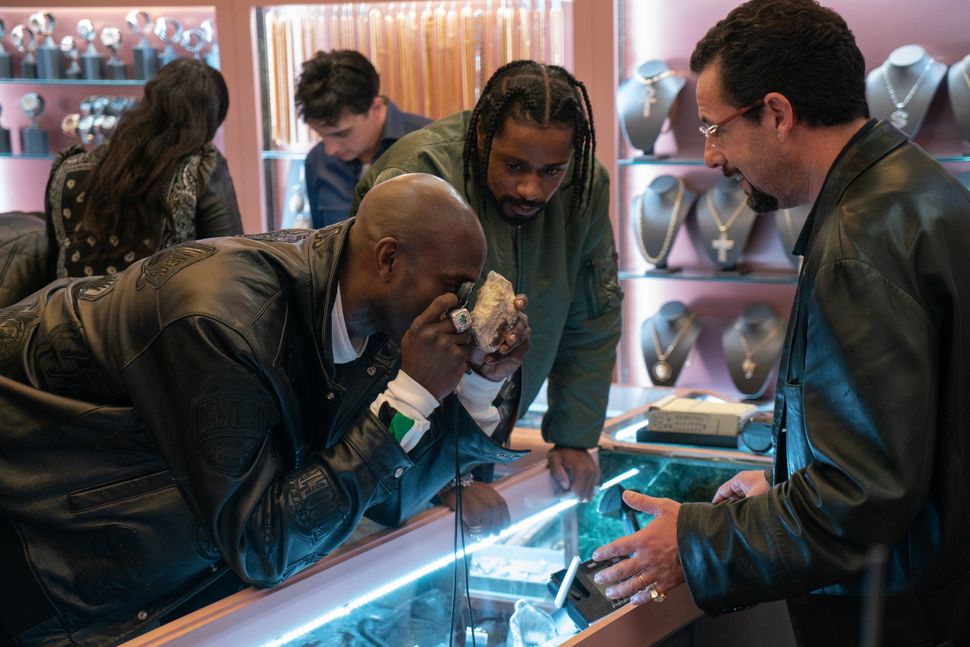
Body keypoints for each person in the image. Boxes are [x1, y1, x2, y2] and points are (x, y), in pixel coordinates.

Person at [0, 173, 530, 646]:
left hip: (162, 565)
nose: (461, 307)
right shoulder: (223, 321)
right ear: (388, 259)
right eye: (452, 285)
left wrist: (481, 383)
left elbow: (386, 500)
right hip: (44, 549)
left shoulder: (376, 314)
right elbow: (262, 543)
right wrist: (412, 397)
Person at [591, 1, 970, 645]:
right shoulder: (914, 192)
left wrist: (692, 541)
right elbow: (912, 438)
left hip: (906, 615)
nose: (710, 157)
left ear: (777, 114)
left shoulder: (860, 244)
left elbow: (859, 499)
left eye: (714, 128)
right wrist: (787, 475)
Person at [351, 60, 623, 528]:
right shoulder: (417, 174)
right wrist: (445, 479)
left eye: (551, 171)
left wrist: (575, 436)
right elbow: (376, 343)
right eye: (514, 166)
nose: (531, 188)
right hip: (385, 451)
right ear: (482, 139)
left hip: (491, 425)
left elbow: (592, 315)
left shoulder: (584, 185)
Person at [45, 58, 242, 280]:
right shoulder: (200, 168)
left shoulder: (67, 168)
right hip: (161, 312)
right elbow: (230, 267)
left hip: (67, 310)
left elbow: (51, 268)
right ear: (211, 120)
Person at [295, 50, 431, 228]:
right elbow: (323, 249)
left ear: (375, 108)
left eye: (341, 134)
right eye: (322, 134)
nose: (330, 149)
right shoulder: (317, 161)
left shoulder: (428, 145)